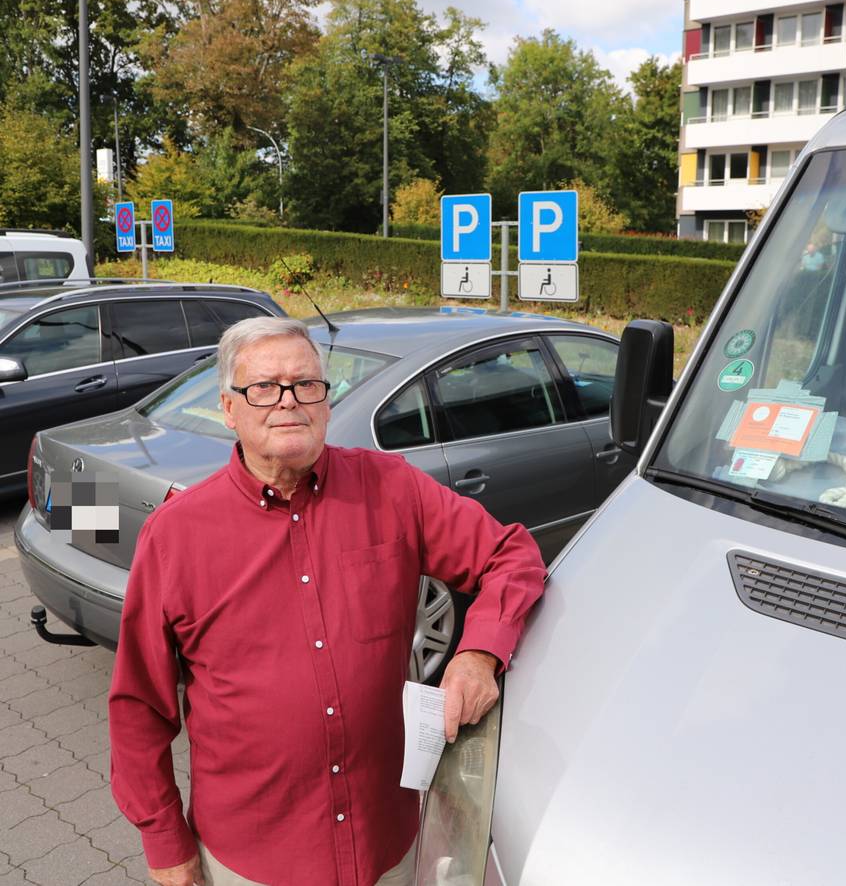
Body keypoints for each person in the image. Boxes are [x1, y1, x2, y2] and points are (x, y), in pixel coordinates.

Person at [108, 317, 547, 886]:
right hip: (254, 861)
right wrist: (167, 847)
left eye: (306, 384)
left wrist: (478, 653)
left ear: (326, 400)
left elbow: (511, 555)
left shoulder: (391, 488)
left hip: (385, 846)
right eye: (264, 387)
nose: (288, 402)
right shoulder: (175, 536)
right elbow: (139, 708)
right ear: (228, 409)